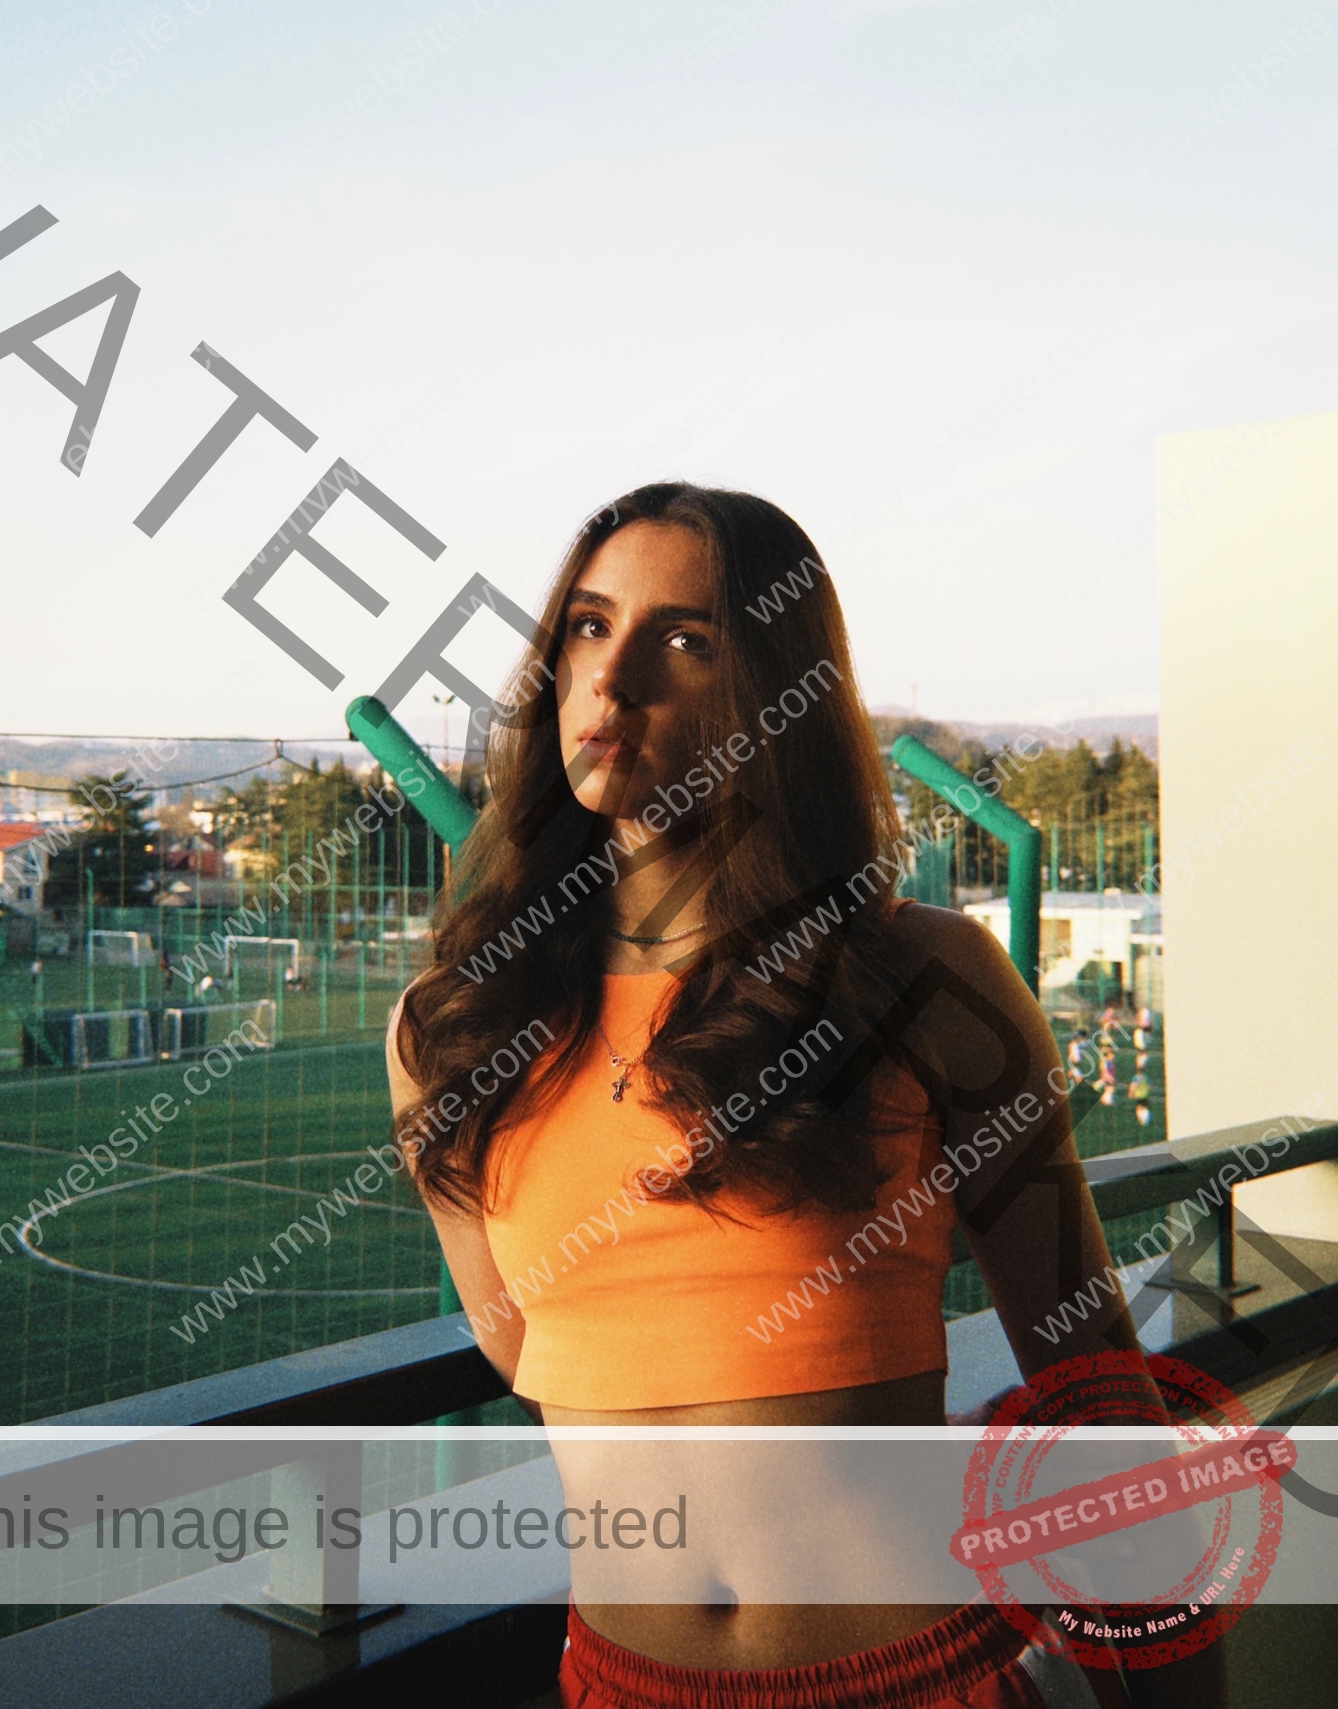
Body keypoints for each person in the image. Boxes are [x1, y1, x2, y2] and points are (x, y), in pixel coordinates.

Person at [386, 484, 1225, 1709]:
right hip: (615, 1685)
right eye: (586, 626)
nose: (614, 683)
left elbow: (1097, 1389)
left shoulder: (925, 979)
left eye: (688, 641)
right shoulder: (449, 1030)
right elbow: (522, 1343)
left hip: (920, 1676)